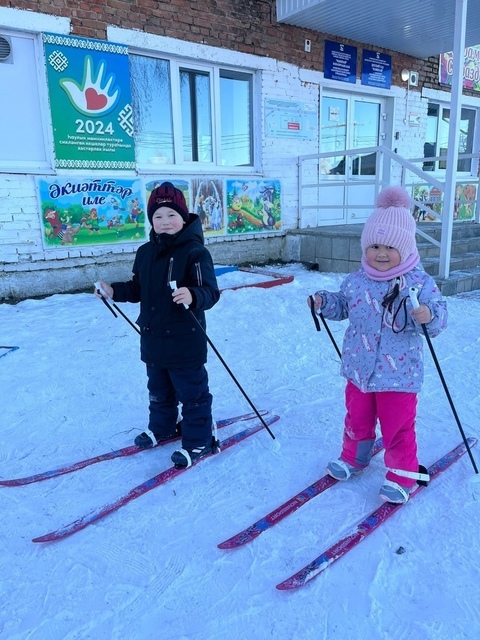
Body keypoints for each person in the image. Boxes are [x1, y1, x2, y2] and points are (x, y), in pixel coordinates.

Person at [309, 186, 447, 504]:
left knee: (397, 427)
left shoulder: (419, 283)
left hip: (399, 377)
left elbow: (438, 319)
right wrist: (324, 302)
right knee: (356, 418)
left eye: (389, 246)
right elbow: (344, 306)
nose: (380, 253)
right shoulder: (358, 279)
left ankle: (402, 475)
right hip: (359, 369)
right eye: (374, 245)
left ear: (406, 247)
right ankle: (355, 457)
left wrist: (427, 315)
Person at [95, 181, 220, 468]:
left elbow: (210, 293)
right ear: (151, 219)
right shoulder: (145, 253)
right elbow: (138, 288)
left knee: (192, 393)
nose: (164, 222)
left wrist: (193, 294)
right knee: (159, 390)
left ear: (184, 217)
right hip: (152, 338)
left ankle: (199, 439)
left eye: (171, 215)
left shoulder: (195, 253)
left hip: (185, 340)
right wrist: (113, 291)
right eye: (158, 216)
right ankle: (163, 427)